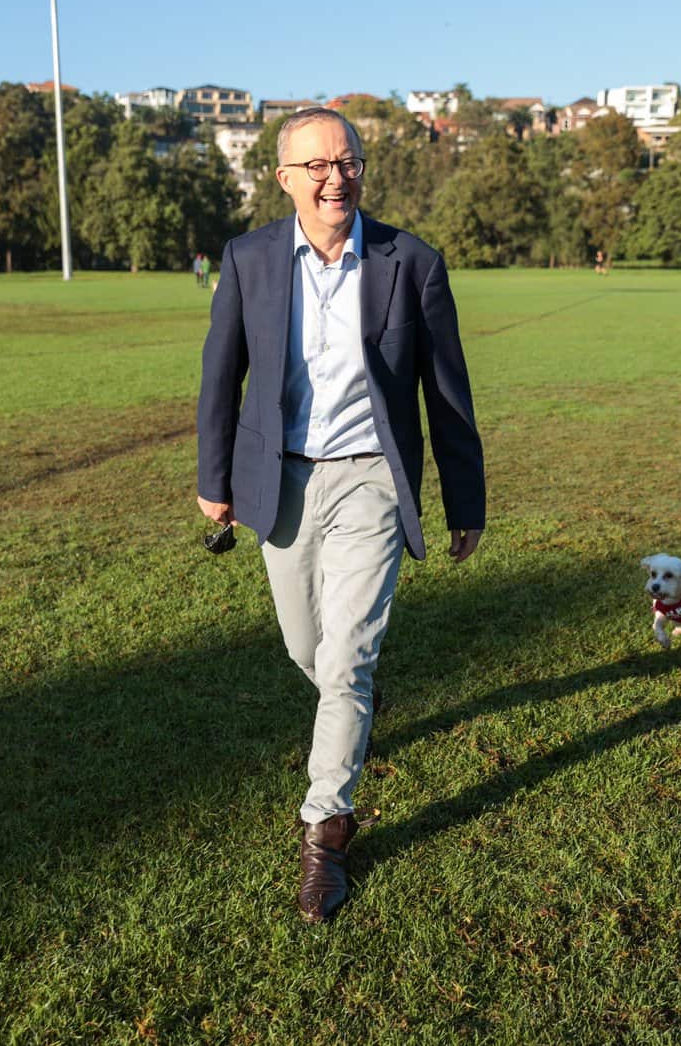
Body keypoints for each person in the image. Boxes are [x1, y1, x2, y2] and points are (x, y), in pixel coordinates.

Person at [197, 108, 485, 923]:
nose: (335, 177)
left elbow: (448, 396)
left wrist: (466, 502)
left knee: (348, 657)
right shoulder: (249, 258)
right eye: (316, 166)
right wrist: (212, 478)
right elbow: (222, 376)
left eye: (348, 161)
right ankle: (352, 706)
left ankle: (325, 831)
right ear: (285, 178)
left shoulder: (411, 262)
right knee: (308, 648)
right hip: (279, 479)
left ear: (363, 170)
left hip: (371, 480)